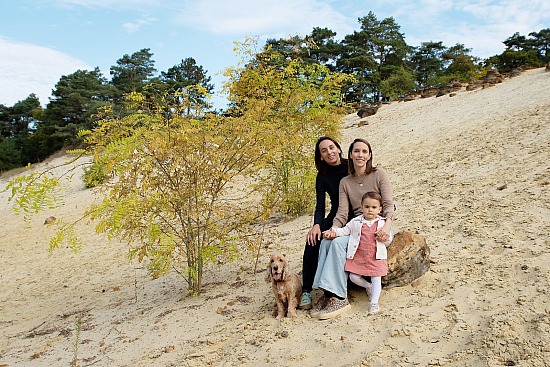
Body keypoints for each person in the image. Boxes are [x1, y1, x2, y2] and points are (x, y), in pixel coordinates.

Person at [312, 138, 394, 320]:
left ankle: (340, 296)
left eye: (364, 151)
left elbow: (389, 205)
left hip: (379, 226)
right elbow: (342, 212)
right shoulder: (345, 182)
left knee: (338, 246)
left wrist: (387, 227)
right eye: (356, 151)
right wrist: (334, 229)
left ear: (369, 155)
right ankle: (327, 293)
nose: (360, 155)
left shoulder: (379, 174)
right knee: (327, 241)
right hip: (358, 225)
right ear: (350, 155)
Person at [298, 137, 350, 310]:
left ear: (339, 149)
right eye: (324, 150)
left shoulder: (350, 166)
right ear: (320, 156)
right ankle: (307, 290)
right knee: (313, 240)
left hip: (357, 211)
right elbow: (320, 206)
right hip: (336, 213)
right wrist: (316, 225)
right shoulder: (322, 176)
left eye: (331, 147)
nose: (329, 152)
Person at [323, 191, 393, 314]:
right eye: (367, 207)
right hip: (359, 256)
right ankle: (367, 286)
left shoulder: (381, 223)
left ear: (379, 209)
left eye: (374, 207)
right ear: (361, 207)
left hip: (375, 256)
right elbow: (344, 231)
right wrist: (332, 232)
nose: (370, 210)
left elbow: (387, 238)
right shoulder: (356, 222)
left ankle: (374, 303)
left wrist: (383, 235)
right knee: (353, 277)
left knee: (376, 278)